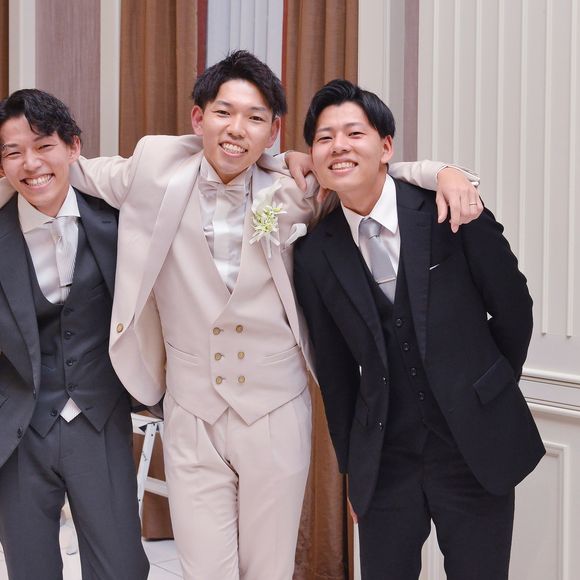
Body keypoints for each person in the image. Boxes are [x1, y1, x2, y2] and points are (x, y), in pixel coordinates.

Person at [0, 52, 480, 580]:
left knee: (267, 569)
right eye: (223, 112)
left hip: (275, 408)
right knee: (204, 569)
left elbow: (366, 172)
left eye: (254, 118)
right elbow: (49, 170)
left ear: (273, 132)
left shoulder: (295, 188)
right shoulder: (152, 170)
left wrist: (441, 172)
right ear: (198, 118)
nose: (236, 129)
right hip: (191, 411)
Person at [293, 79, 545, 580]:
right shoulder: (315, 254)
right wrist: (355, 471)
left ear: (386, 147)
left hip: (473, 448)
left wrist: (487, 389)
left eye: (354, 133)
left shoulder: (449, 208)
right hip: (386, 458)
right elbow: (336, 375)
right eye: (324, 138)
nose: (338, 146)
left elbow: (514, 308)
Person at [0, 89, 148, 580]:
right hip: (17, 430)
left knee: (122, 568)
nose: (31, 164)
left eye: (44, 145)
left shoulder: (118, 221)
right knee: (30, 570)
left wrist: (284, 162)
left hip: (99, 418)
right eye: (13, 152)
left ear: (73, 148)